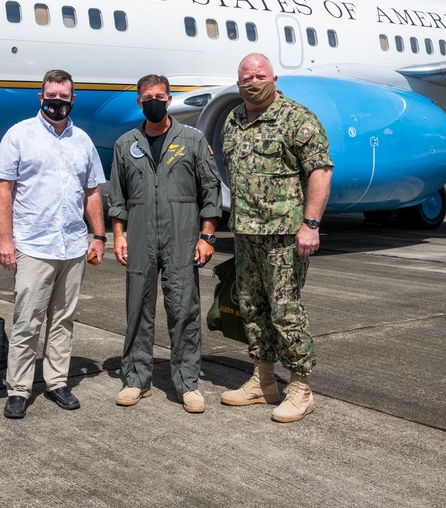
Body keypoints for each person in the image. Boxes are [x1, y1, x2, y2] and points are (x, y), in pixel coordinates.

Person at [220, 53, 333, 423]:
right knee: (252, 308)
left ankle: (301, 388)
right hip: (246, 231)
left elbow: (319, 172)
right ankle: (264, 380)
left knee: (286, 310)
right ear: (238, 83)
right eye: (246, 77)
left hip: (284, 235)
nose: (253, 81)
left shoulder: (297, 118)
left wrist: (310, 224)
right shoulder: (234, 119)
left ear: (274, 77)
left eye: (259, 75)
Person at [0, 69, 107, 419]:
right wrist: (5, 239)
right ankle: (18, 389)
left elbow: (92, 192)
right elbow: (3, 190)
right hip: (33, 244)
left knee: (63, 320)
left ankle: (57, 382)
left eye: (63, 98)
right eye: (51, 97)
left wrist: (99, 236)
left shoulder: (83, 140)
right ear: (40, 98)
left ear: (73, 99)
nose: (57, 103)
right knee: (27, 320)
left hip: (72, 245)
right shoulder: (19, 135)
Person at [108, 74, 222, 413]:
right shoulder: (125, 143)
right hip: (141, 234)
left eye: (159, 96)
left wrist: (207, 235)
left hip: (183, 233)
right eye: (147, 97)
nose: (153, 101)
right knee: (137, 308)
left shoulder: (192, 140)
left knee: (184, 308)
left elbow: (210, 191)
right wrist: (118, 234)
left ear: (169, 100)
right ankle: (136, 380)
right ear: (139, 102)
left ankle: (188, 383)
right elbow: (118, 195)